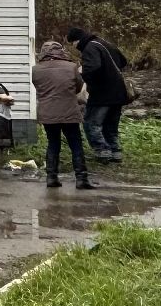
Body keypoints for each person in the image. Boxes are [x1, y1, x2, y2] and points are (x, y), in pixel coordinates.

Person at [32, 40, 94, 189]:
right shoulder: (72, 67)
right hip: (69, 112)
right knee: (76, 145)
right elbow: (78, 88)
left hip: (48, 113)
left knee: (53, 144)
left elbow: (38, 87)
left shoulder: (36, 69)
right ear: (60, 51)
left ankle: (51, 178)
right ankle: (81, 179)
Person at [68, 26, 129, 163]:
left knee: (91, 124)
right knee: (110, 125)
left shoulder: (90, 48)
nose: (74, 47)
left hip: (102, 94)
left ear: (77, 40)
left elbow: (93, 67)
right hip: (118, 92)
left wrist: (83, 76)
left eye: (72, 43)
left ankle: (102, 152)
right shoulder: (104, 43)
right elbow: (123, 61)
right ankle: (115, 152)